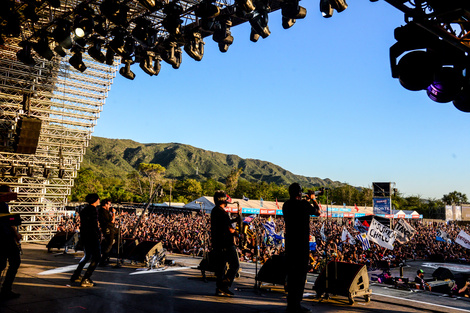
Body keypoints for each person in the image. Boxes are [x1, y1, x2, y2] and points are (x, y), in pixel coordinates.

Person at [282, 183, 321, 313]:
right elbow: (318, 212)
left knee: (291, 274)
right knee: (299, 275)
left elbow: (298, 207)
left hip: (290, 244)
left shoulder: (286, 205)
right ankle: (296, 305)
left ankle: (290, 304)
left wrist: (306, 199)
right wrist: (313, 199)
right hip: (301, 244)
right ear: (299, 193)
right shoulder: (303, 205)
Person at [210, 190, 240, 296]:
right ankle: (225, 285)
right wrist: (238, 234)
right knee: (235, 264)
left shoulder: (215, 211)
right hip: (225, 244)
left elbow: (223, 223)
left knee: (221, 267)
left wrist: (234, 219)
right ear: (223, 200)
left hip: (217, 244)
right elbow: (229, 229)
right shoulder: (222, 212)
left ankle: (220, 288)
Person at [70, 193, 101, 287]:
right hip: (92, 235)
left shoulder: (84, 209)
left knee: (87, 256)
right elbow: (94, 224)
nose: (99, 200)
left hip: (85, 235)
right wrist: (98, 234)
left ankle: (76, 275)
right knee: (97, 257)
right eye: (98, 199)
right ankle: (86, 278)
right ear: (95, 200)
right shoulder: (93, 210)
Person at [0, 185, 21, 300]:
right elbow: (8, 222)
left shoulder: (4, 205)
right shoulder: (2, 206)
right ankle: (6, 290)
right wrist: (16, 235)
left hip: (4, 238)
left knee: (2, 264)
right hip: (5, 239)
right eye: (9, 192)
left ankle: (5, 289)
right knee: (15, 262)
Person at [98, 199, 115, 266]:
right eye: (109, 204)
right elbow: (112, 221)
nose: (110, 206)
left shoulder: (101, 211)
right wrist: (113, 213)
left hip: (107, 228)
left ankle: (105, 258)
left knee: (106, 244)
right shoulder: (104, 211)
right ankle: (103, 260)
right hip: (108, 229)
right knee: (109, 244)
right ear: (105, 204)